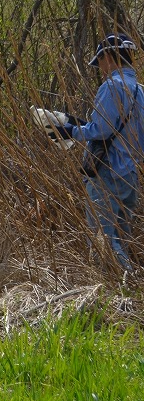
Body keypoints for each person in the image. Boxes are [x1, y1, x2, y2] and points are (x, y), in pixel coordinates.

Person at [38, 34, 144, 270]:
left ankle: (117, 291)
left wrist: (70, 131)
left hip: (106, 174)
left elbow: (101, 130)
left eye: (100, 62)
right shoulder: (141, 91)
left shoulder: (112, 86)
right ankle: (130, 289)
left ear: (107, 56)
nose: (101, 70)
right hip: (130, 176)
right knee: (122, 239)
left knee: (102, 240)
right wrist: (82, 125)